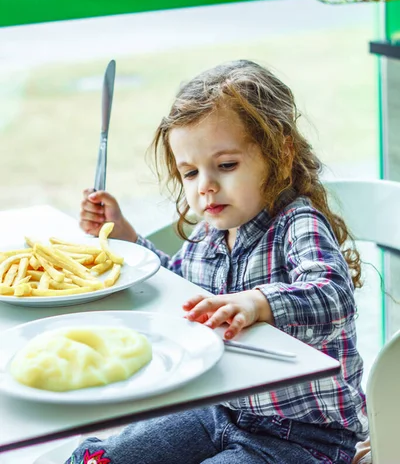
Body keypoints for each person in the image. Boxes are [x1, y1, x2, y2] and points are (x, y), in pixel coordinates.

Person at [67, 60, 368, 464]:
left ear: (281, 151)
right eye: (190, 173)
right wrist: (127, 237)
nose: (205, 186)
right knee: (108, 458)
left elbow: (333, 298)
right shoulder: (210, 232)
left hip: (305, 436)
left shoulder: (297, 222)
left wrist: (257, 303)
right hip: (217, 409)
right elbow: (179, 289)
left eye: (226, 166)